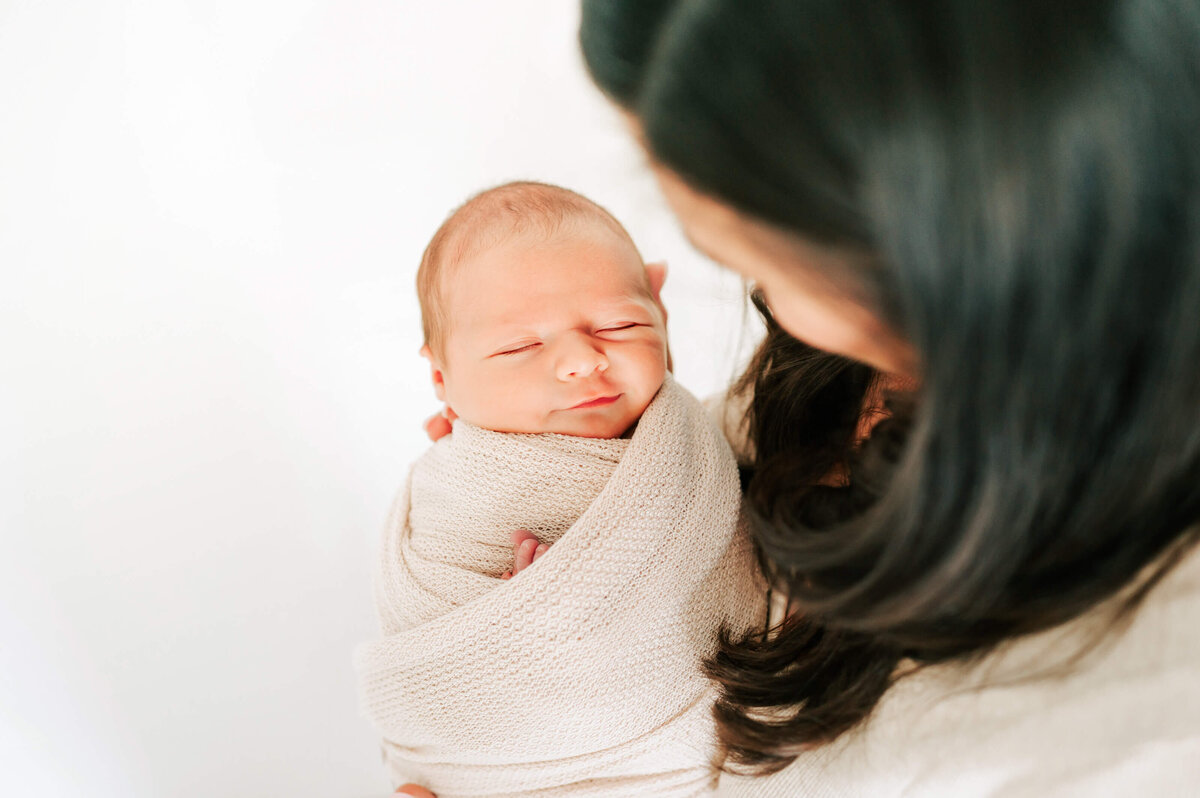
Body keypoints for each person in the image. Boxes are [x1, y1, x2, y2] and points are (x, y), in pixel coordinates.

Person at [399, 1, 1200, 795]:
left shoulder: (1139, 708)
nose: (765, 303)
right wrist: (580, 478)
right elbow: (700, 471)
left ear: (934, 248)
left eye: (756, 255)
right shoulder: (844, 364)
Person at [357, 181, 765, 797]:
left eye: (620, 324)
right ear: (443, 379)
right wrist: (531, 626)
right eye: (519, 346)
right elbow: (441, 647)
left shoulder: (699, 437)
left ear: (661, 310)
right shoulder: (459, 498)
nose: (580, 360)